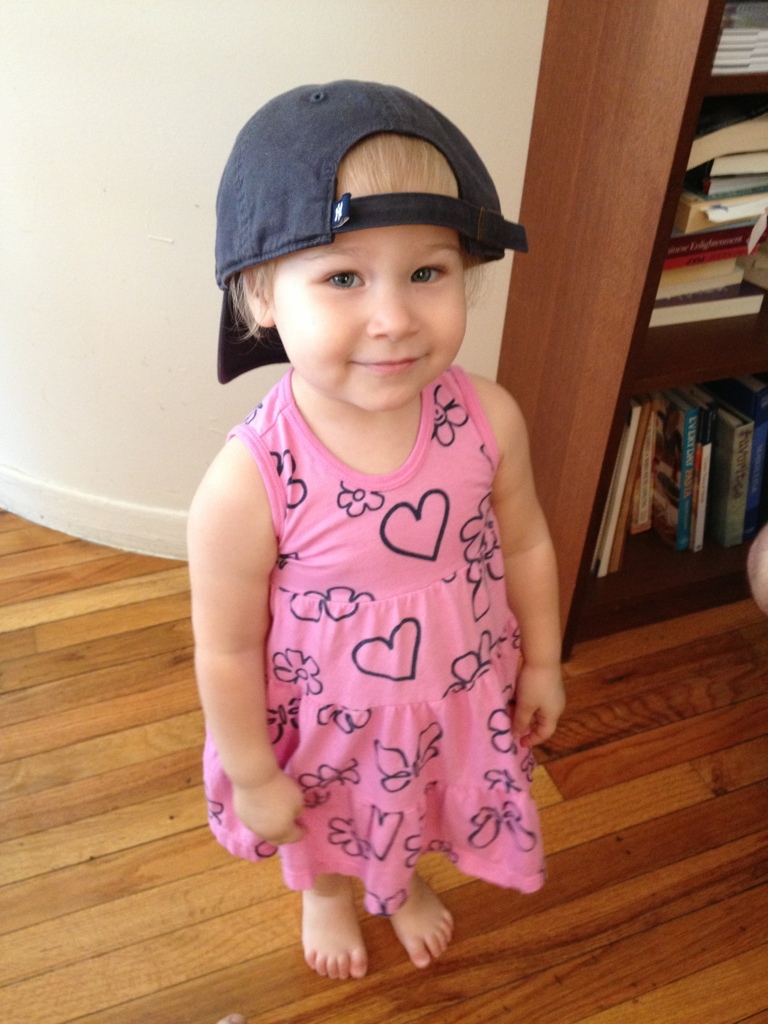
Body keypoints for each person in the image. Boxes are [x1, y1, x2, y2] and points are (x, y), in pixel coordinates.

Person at [188, 80, 565, 982]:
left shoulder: (490, 419)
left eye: (427, 273)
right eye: (344, 278)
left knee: (416, 804)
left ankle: (400, 884)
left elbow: (525, 544)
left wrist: (545, 663)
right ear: (262, 294)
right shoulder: (248, 481)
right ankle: (327, 892)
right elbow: (226, 651)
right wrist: (254, 774)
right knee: (328, 819)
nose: (394, 318)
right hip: (326, 723)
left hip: (454, 693)